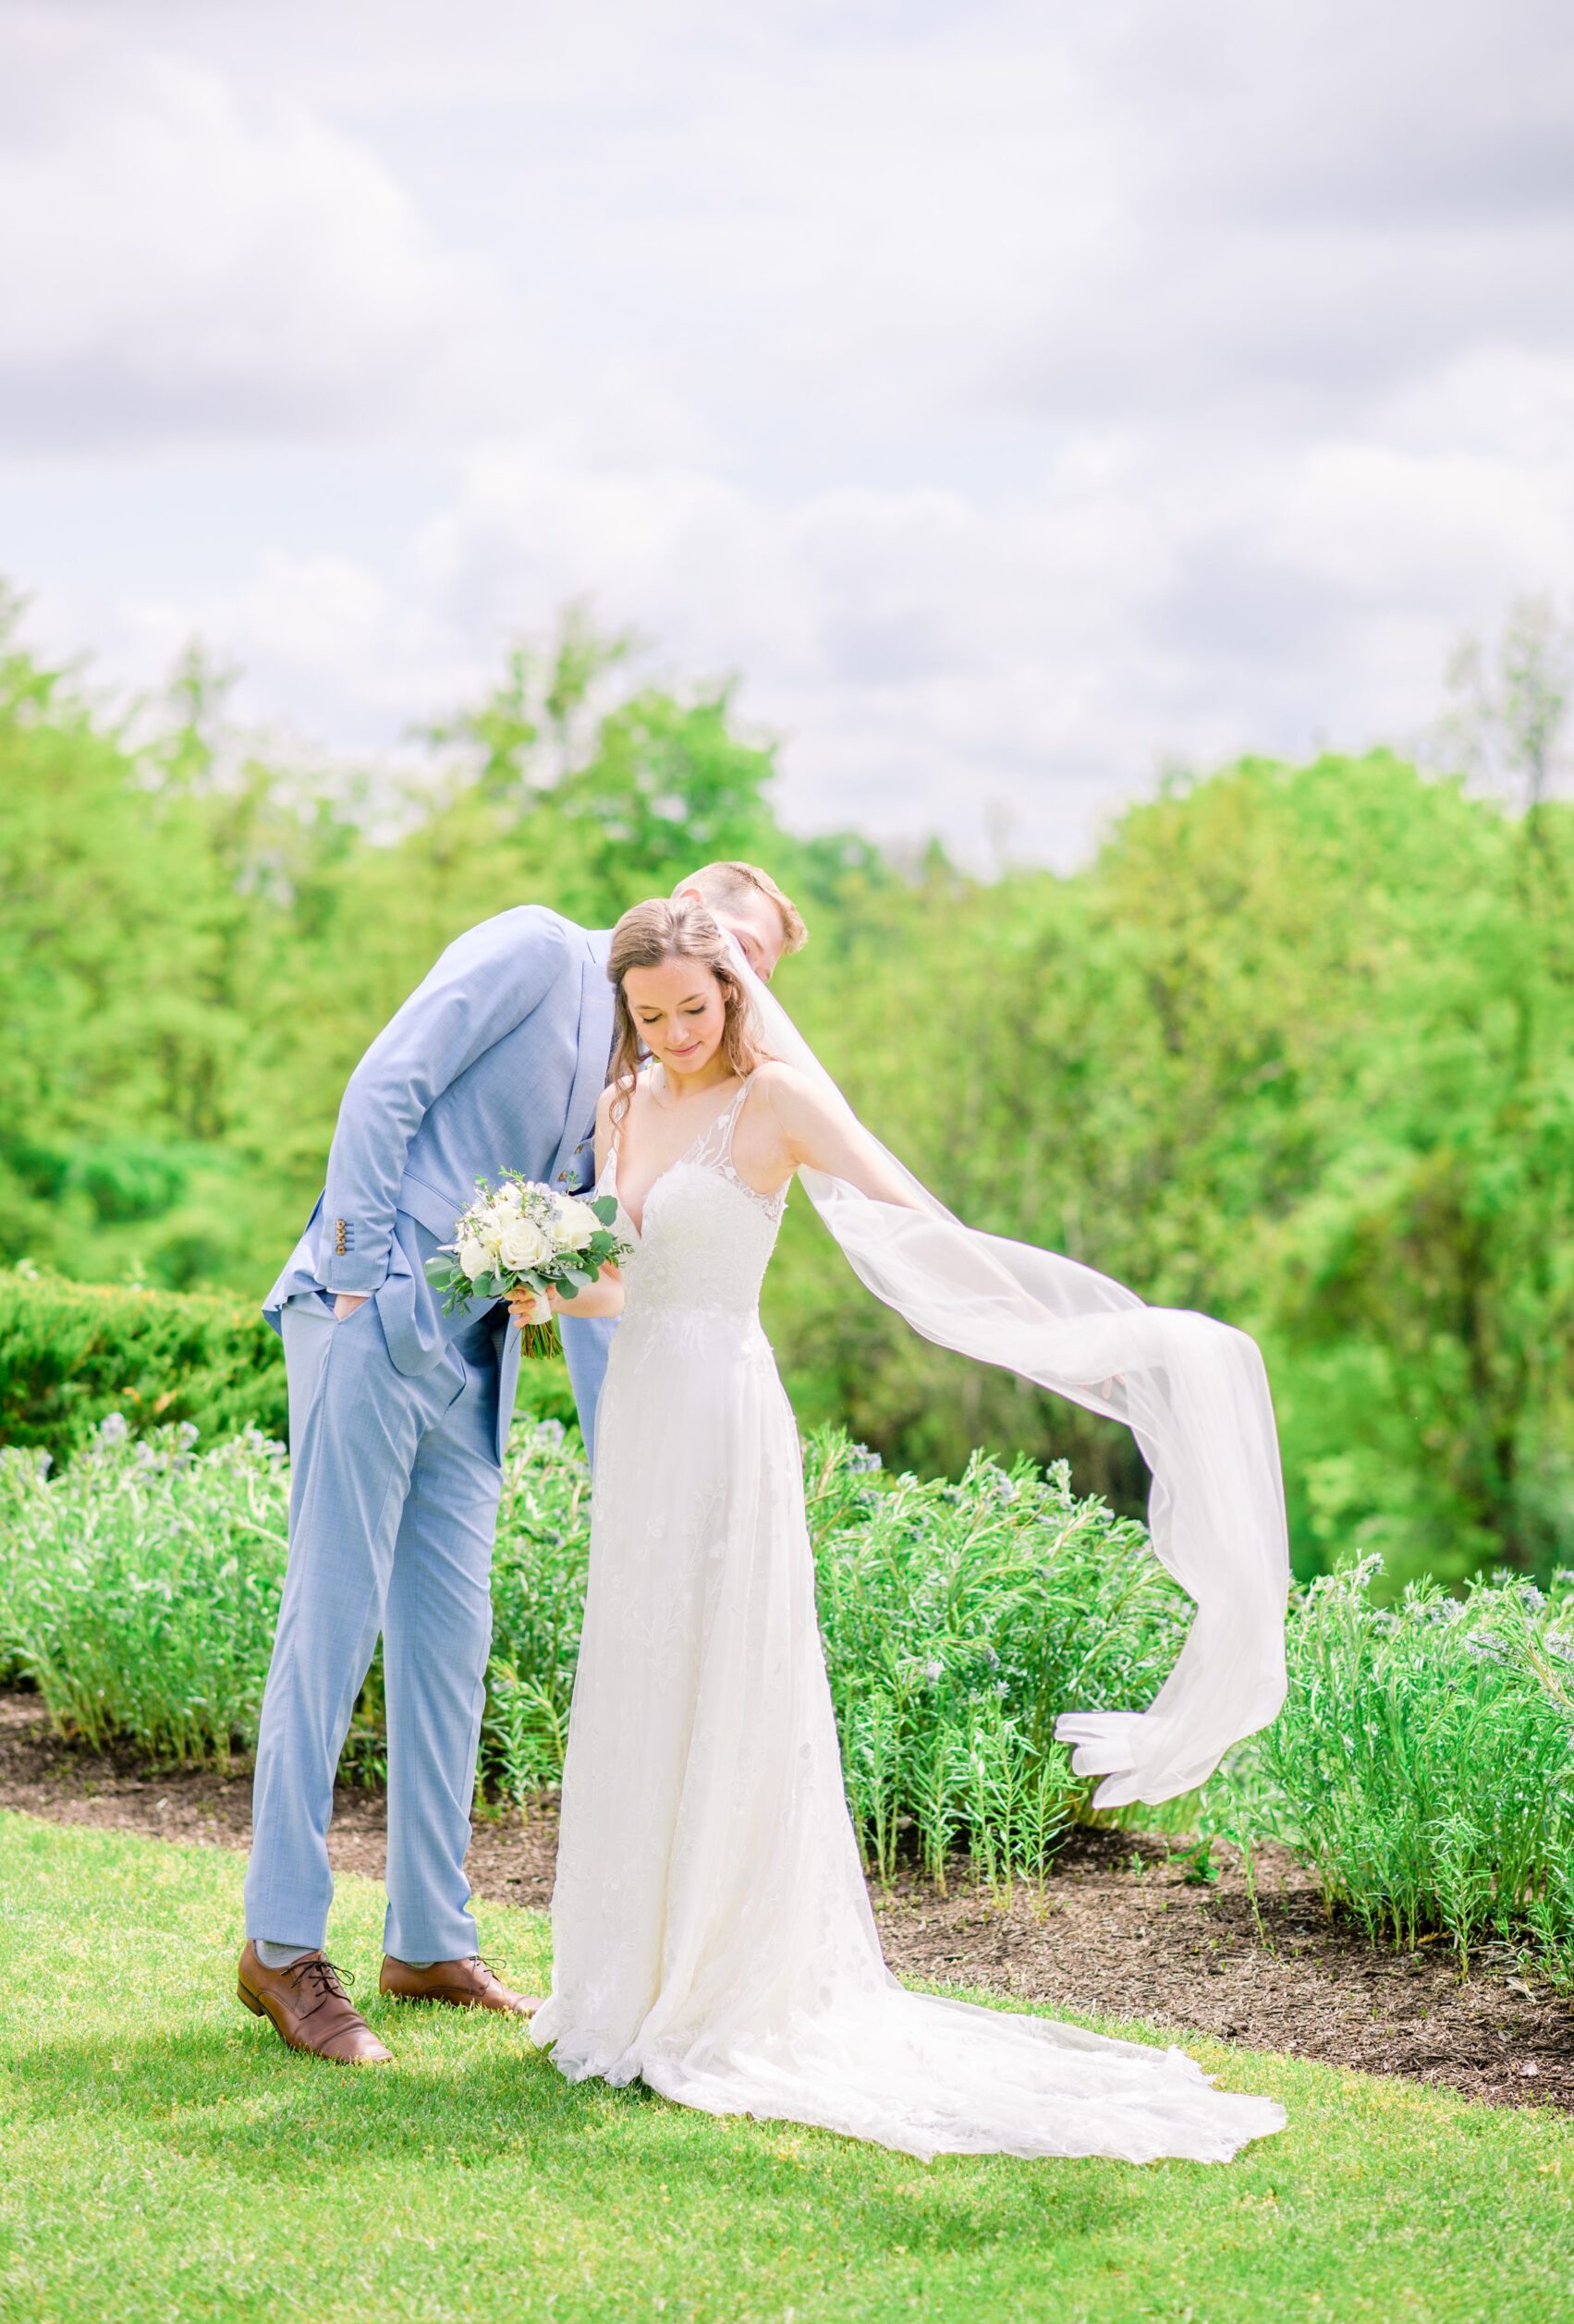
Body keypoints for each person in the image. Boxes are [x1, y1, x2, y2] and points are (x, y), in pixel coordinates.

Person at [526, 894, 1287, 2162]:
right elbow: (623, 1278)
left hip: (723, 1415)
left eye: (692, 1012)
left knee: (726, 1675)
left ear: (735, 989)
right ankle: (623, 1981)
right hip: (646, 1419)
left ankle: (726, 1983)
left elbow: (911, 1223)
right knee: (645, 1667)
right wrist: (543, 1283)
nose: (670, 1038)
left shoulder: (777, 1104)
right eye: (648, 1018)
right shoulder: (622, 1109)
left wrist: (1068, 1336)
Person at [237, 863, 803, 2065]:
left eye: (748, 973)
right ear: (685, 911)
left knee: (451, 1648)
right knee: (328, 1629)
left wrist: (637, 1475)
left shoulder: (647, 1090)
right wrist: (356, 1277)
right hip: (367, 1318)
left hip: (473, 1367)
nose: (730, 981)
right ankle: (281, 1950)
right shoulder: (533, 949)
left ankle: (427, 1941)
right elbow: (386, 1084)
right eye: (727, 947)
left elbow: (612, 1283)